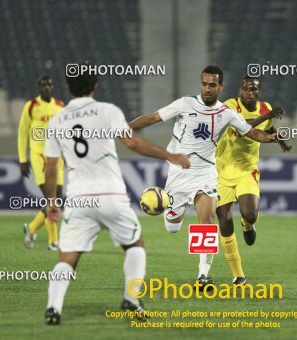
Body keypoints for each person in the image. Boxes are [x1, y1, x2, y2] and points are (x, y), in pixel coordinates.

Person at [43, 60, 190, 325]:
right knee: (135, 245)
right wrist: (170, 156)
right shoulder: (107, 110)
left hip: (78, 198)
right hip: (111, 195)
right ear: (96, 84)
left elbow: (50, 166)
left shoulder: (57, 120)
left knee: (67, 257)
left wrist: (51, 202)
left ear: (67, 85)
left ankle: (53, 308)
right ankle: (131, 299)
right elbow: (131, 141)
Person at [129, 65, 278, 289]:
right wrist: (124, 129)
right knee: (172, 226)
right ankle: (170, 213)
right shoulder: (185, 103)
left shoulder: (226, 113)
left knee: (207, 222)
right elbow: (153, 117)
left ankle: (203, 275)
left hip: (206, 172)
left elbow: (250, 131)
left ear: (221, 87)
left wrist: (268, 138)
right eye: (204, 84)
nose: (207, 89)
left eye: (212, 85)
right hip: (179, 172)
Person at [215, 76, 291, 284]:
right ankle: (238, 274)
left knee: (249, 214)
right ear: (240, 89)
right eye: (246, 88)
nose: (249, 92)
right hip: (222, 170)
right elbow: (242, 127)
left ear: (259, 92)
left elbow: (267, 128)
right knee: (224, 220)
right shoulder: (230, 105)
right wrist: (266, 115)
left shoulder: (265, 108)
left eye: (254, 89)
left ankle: (247, 224)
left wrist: (281, 141)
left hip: (247, 170)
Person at [18, 76, 64, 251]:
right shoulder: (31, 107)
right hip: (39, 156)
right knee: (50, 199)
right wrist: (23, 159)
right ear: (39, 87)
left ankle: (31, 228)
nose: (46, 87)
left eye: (49, 84)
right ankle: (53, 241)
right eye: (43, 85)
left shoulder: (60, 106)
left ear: (52, 87)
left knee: (56, 200)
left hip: (57, 157)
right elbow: (22, 133)